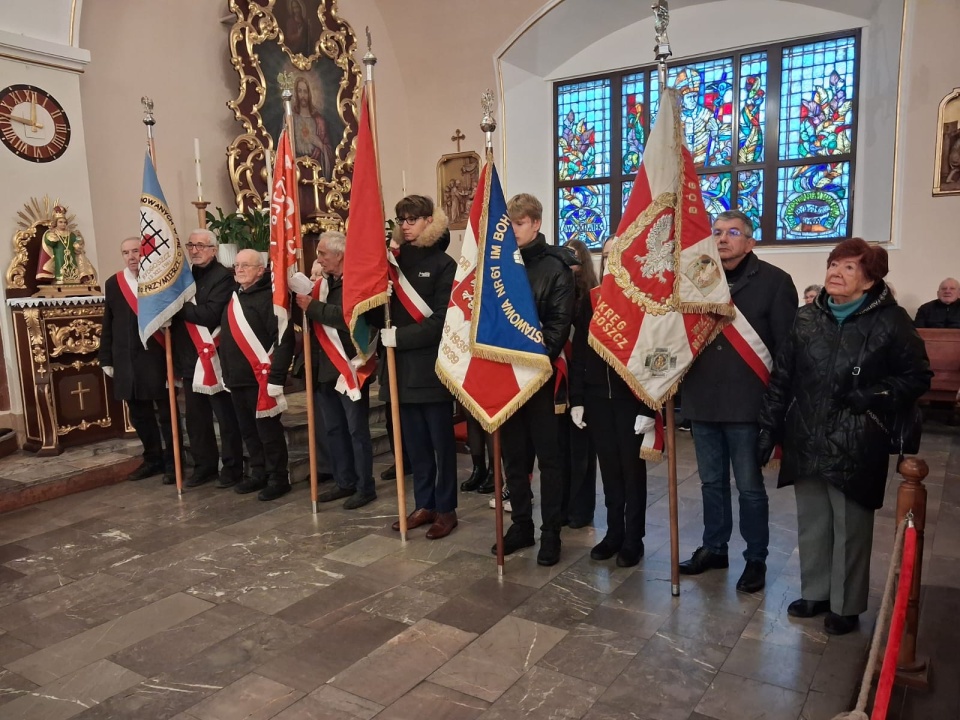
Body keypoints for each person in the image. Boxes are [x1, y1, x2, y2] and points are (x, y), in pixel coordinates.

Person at [758, 238, 931, 634]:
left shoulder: (891, 320)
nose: (836, 272)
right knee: (812, 521)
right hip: (807, 432)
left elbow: (917, 376)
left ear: (870, 280)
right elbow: (781, 378)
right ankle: (815, 592)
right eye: (834, 264)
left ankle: (846, 604)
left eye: (849, 267)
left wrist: (873, 394)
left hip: (857, 435)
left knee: (851, 525)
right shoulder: (806, 319)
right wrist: (768, 428)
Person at [679, 210, 798, 593]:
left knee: (749, 487)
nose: (723, 239)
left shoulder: (776, 283)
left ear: (751, 241)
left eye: (733, 233)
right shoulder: (697, 282)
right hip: (703, 401)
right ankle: (715, 547)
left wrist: (775, 413)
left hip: (748, 406)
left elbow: (786, 353)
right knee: (711, 484)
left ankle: (756, 558)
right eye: (717, 232)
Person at [493, 193, 575, 566]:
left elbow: (559, 327)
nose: (513, 230)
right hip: (507, 376)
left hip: (541, 379)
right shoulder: (499, 265)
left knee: (550, 459)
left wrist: (533, 356)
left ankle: (551, 533)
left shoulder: (556, 267)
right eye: (508, 224)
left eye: (519, 223)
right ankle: (522, 524)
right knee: (514, 457)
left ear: (536, 223)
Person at [569, 239, 655, 567]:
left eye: (616, 256)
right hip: (596, 398)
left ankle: (634, 537)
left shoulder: (643, 302)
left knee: (632, 472)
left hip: (630, 400)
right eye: (605, 257)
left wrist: (649, 406)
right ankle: (614, 532)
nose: (609, 262)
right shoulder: (591, 300)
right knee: (609, 471)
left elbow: (653, 360)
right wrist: (577, 399)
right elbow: (580, 353)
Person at [380, 196, 458, 539]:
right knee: (415, 447)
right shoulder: (391, 263)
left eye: (413, 218)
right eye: (402, 218)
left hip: (431, 370)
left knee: (442, 445)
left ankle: (446, 508)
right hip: (399, 371)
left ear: (430, 220)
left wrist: (400, 337)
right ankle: (424, 504)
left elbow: (444, 320)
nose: (406, 224)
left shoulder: (444, 264)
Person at [296, 231, 377, 510]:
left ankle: (365, 486)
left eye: (322, 254)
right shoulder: (325, 284)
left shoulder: (355, 283)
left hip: (350, 368)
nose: (318, 259)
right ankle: (345, 481)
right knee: (333, 429)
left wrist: (313, 307)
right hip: (325, 369)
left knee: (356, 431)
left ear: (340, 255)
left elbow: (348, 319)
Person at [219, 250, 294, 501]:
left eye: (245, 266)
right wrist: (226, 374)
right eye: (236, 265)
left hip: (261, 379)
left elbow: (283, 340)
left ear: (260, 270)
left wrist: (276, 378)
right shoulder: (235, 297)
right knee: (248, 431)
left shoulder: (269, 299)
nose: (239, 269)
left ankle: (278, 478)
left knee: (268, 432)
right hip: (237, 379)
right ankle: (258, 473)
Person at [170, 229, 243, 489]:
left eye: (201, 246)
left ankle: (233, 468)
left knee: (225, 418)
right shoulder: (184, 278)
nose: (195, 250)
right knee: (196, 419)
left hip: (215, 359)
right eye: (191, 245)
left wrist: (176, 306)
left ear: (213, 249)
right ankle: (204, 466)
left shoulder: (223, 277)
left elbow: (211, 315)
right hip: (190, 360)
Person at [99, 237, 175, 483]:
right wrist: (106, 357)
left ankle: (174, 462)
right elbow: (108, 322)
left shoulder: (159, 281)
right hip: (126, 360)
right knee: (140, 415)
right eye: (126, 253)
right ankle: (152, 459)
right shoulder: (114, 283)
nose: (131, 257)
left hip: (156, 358)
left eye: (136, 251)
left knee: (166, 414)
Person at [559, 238, 599, 528]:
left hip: (585, 382)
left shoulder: (593, 299)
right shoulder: (557, 292)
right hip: (559, 381)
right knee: (559, 451)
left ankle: (581, 510)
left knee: (583, 452)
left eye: (574, 257)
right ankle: (561, 507)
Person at [292, 76, 334, 180]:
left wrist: (320, 144)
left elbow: (329, 153)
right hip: (295, 172)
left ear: (310, 94)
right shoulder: (290, 118)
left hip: (316, 173)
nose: (302, 95)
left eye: (305, 92)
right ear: (296, 94)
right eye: (300, 91)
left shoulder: (319, 121)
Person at [37, 206, 80, 285]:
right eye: (60, 222)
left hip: (71, 255)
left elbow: (77, 240)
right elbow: (49, 242)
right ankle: (59, 277)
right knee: (60, 264)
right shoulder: (52, 233)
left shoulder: (70, 233)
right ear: (56, 223)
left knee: (73, 265)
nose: (63, 224)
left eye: (64, 222)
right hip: (59, 254)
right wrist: (52, 238)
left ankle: (74, 278)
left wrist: (77, 244)